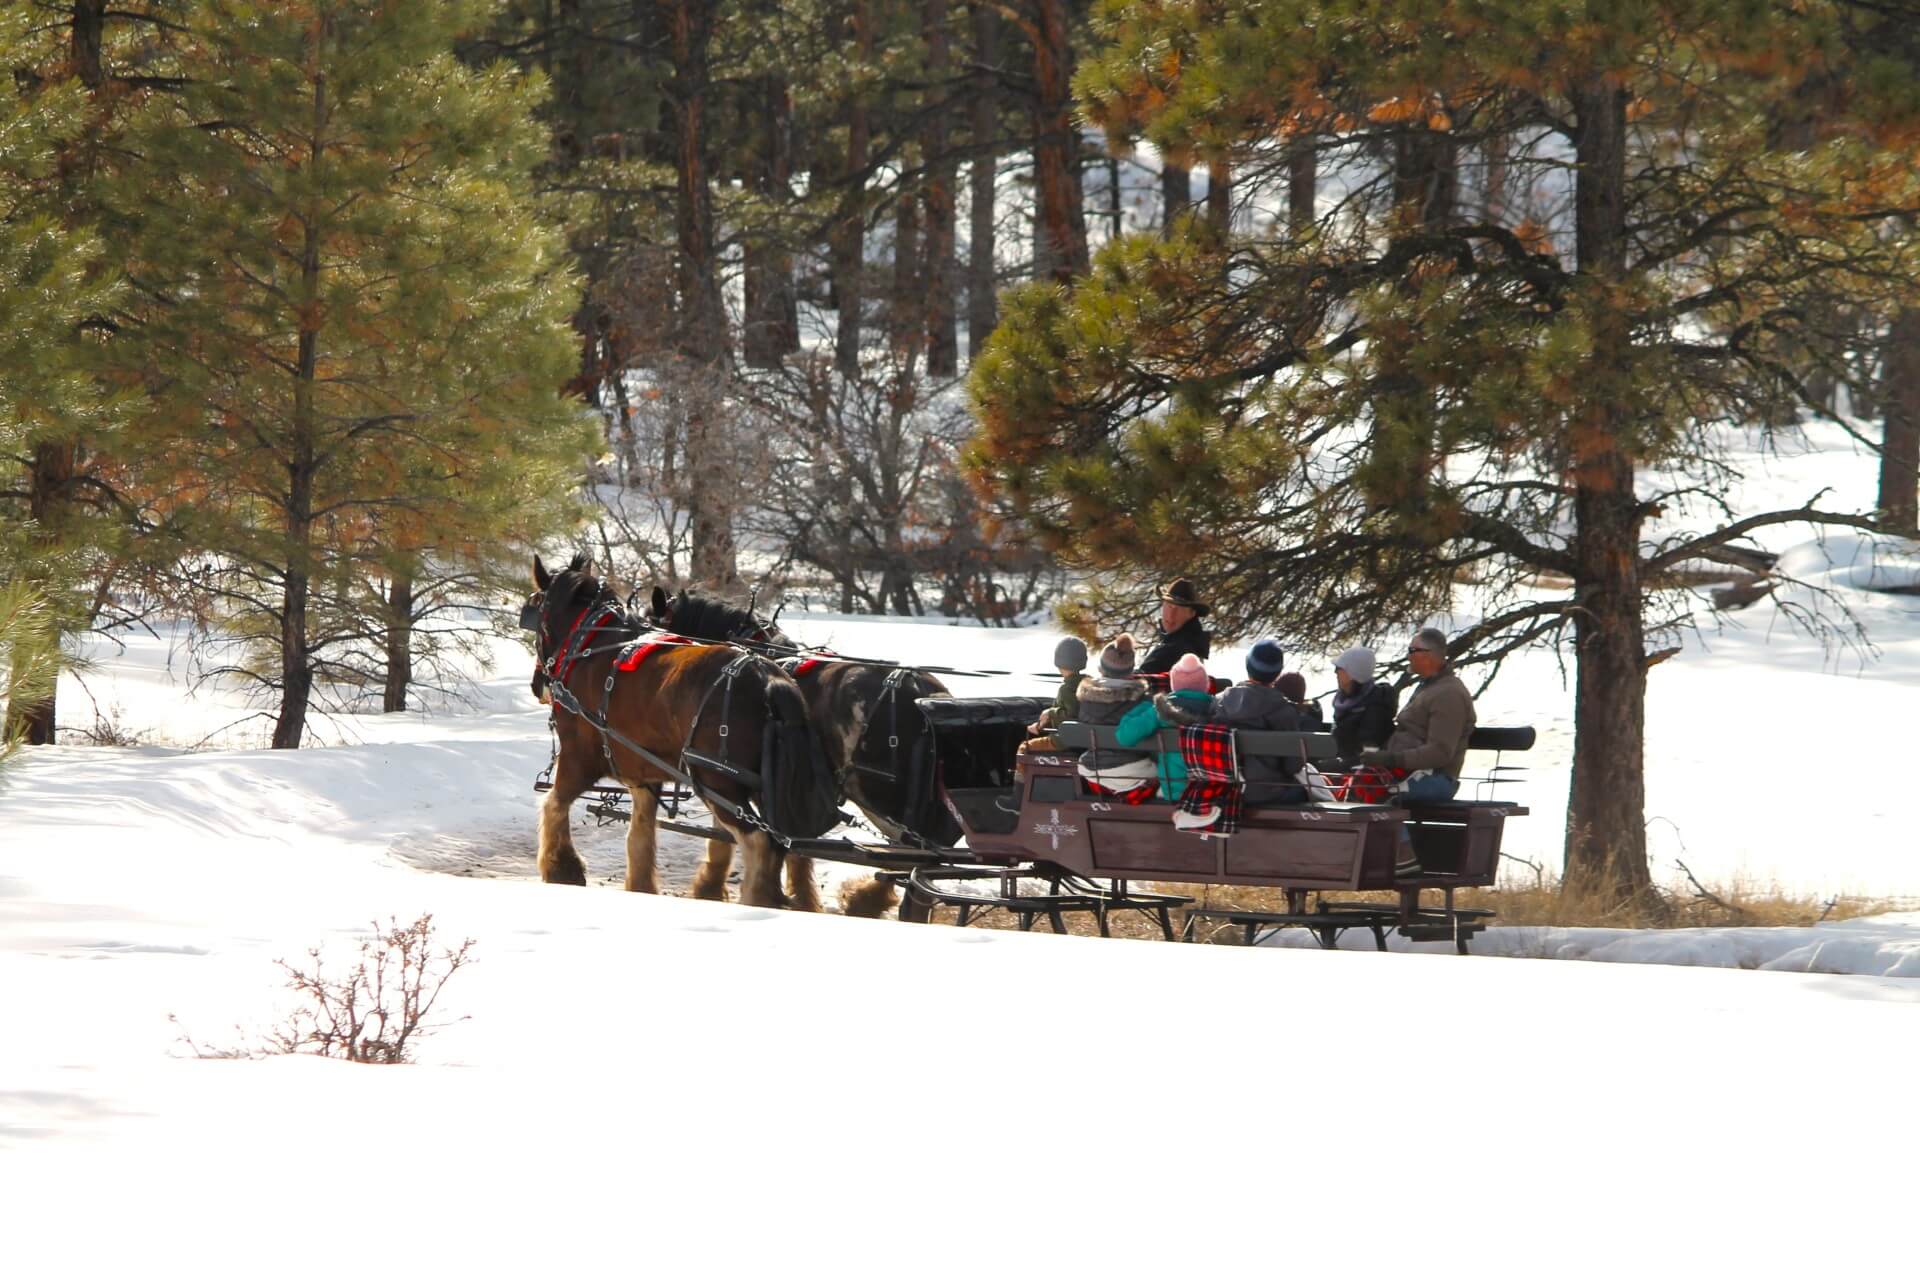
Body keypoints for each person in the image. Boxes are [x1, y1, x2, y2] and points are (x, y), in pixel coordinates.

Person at [1358, 628, 1477, 876]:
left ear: (1430, 655)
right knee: (1356, 785)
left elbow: (1440, 752)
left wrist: (1391, 759)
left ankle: (1403, 859)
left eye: (1413, 651)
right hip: (1407, 773)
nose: (1409, 656)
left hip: (1435, 779)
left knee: (1384, 796)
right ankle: (1361, 860)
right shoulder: (1427, 687)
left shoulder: (1449, 694)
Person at [1212, 639, 1306, 806]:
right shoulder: (1284, 711)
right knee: (1304, 791)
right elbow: (1293, 765)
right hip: (1268, 794)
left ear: (1248, 666)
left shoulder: (1219, 702)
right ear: (1277, 673)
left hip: (1225, 790)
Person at [1115, 652, 1216, 802]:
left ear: (1174, 686)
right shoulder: (1218, 712)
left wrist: (1143, 706)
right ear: (1206, 685)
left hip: (1173, 793)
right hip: (1212, 792)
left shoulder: (1159, 711)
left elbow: (1124, 736)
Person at [1074, 634, 1155, 789]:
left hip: (1091, 769)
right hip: (1133, 770)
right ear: (1131, 670)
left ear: (1101, 668)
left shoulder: (1085, 699)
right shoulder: (1143, 701)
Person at [1329, 645, 1397, 766]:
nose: (1335, 672)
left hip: (1358, 776)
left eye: (1339, 668)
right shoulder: (1346, 702)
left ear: (1352, 673)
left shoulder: (1376, 708)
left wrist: (1334, 765)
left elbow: (1368, 755)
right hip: (1344, 768)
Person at [1137, 578, 1212, 675]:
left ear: (1192, 613)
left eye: (1179, 609)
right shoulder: (1191, 643)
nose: (1171, 614)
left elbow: (1139, 681)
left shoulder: (1176, 648)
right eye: (1169, 606)